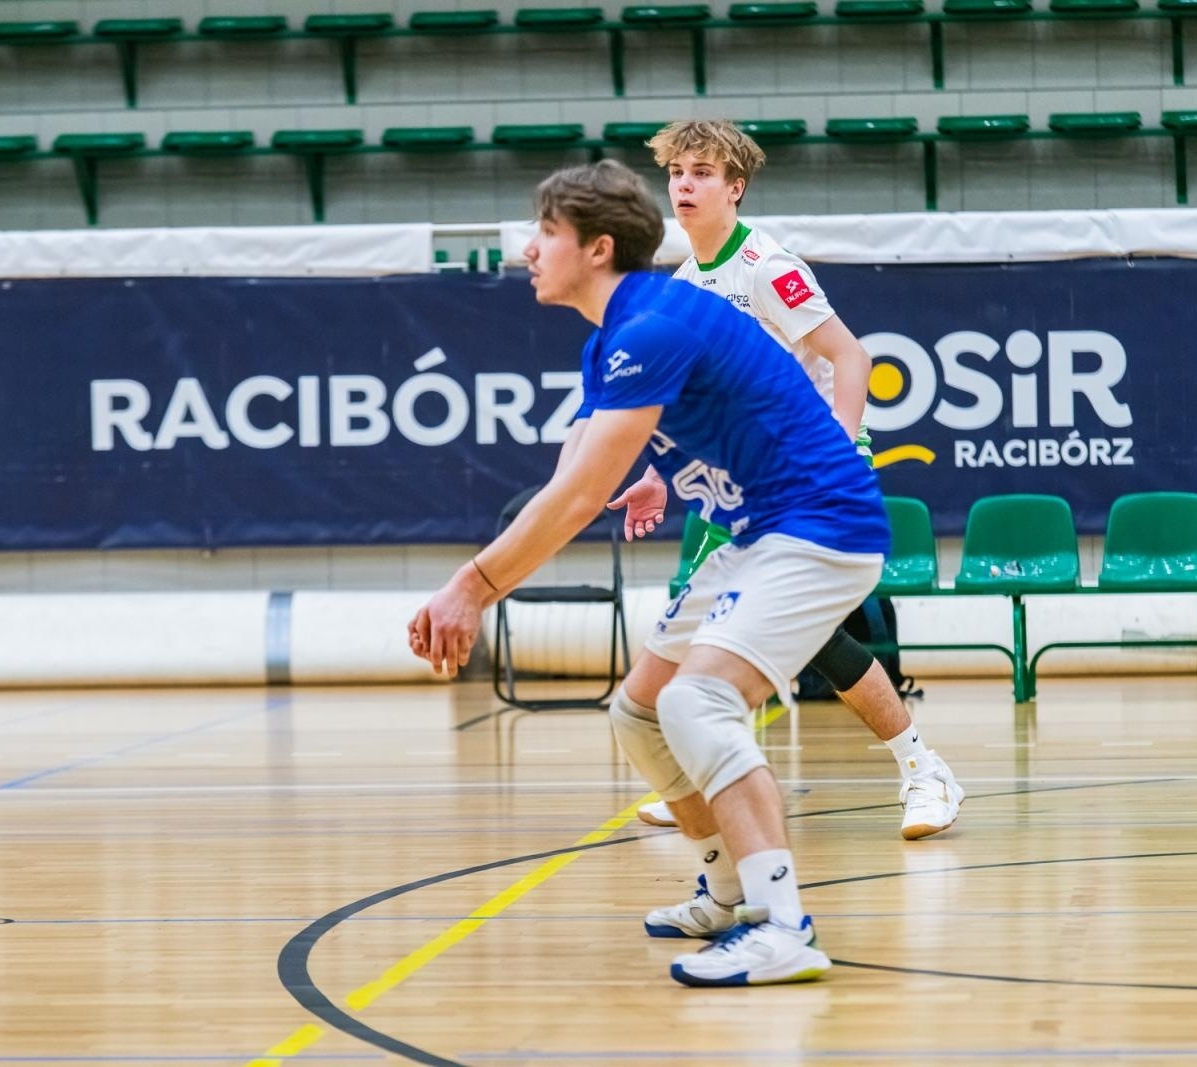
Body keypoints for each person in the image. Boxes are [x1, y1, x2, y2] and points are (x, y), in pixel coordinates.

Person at [411, 159, 889, 986]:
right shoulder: (620, 335)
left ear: (597, 249)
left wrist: (472, 587)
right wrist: (626, 470)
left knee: (694, 698)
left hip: (820, 524)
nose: (529, 250)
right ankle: (727, 886)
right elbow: (580, 468)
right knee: (638, 711)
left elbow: (577, 495)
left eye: (547, 234)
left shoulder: (651, 328)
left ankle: (785, 925)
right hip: (759, 525)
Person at [611, 119, 964, 845]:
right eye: (677, 172)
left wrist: (836, 444)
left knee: (816, 638)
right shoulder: (684, 286)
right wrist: (653, 474)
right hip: (736, 482)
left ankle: (923, 768)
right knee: (700, 631)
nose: (685, 184)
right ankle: (706, 770)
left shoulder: (767, 266)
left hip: (800, 477)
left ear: (734, 188)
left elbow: (851, 356)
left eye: (703, 172)